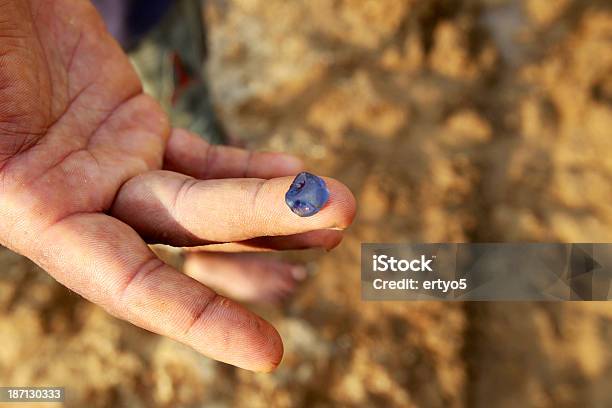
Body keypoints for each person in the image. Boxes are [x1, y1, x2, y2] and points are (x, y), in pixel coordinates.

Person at [0, 0, 356, 372]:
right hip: (110, 28)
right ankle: (206, 254)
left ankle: (216, 150)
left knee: (191, 75)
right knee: (182, 110)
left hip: (147, 12)